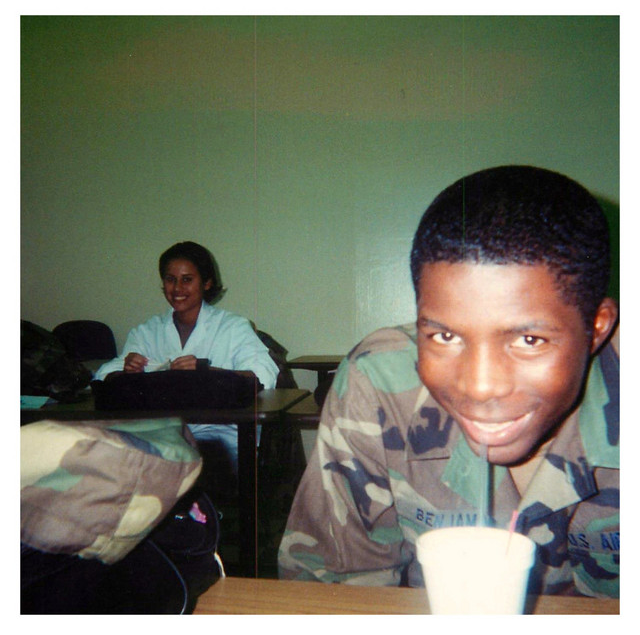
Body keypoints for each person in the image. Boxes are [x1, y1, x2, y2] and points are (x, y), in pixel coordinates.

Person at [278, 165, 619, 598]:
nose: (479, 387)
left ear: (596, 328)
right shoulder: (382, 384)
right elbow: (331, 592)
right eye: (445, 336)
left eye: (529, 340)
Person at [94, 241, 279, 472]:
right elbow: (103, 374)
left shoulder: (233, 327)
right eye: (170, 279)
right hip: (161, 433)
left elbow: (264, 376)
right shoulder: (148, 331)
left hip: (217, 435)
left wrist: (205, 371)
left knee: (173, 463)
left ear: (207, 283)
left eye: (187, 279)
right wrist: (125, 369)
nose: (177, 288)